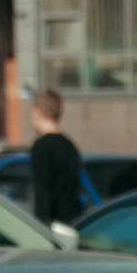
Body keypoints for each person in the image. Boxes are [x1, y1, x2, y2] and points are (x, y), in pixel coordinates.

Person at [27, 88, 85, 232]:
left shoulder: (42, 147)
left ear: (37, 112)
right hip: (73, 221)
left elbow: (43, 193)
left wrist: (41, 227)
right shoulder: (70, 145)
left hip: (54, 227)